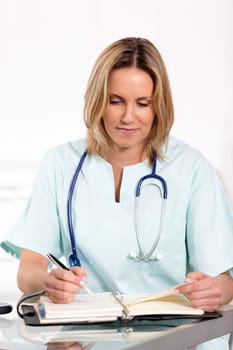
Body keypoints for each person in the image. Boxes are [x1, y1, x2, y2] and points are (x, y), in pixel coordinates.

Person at [1, 37, 233, 349]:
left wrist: (215, 289)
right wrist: (49, 283)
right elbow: (29, 269)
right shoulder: (59, 164)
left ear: (158, 105)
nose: (127, 117)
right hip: (83, 335)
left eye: (142, 103)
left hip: (169, 335)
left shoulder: (191, 169)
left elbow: (224, 282)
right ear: (98, 100)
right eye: (115, 100)